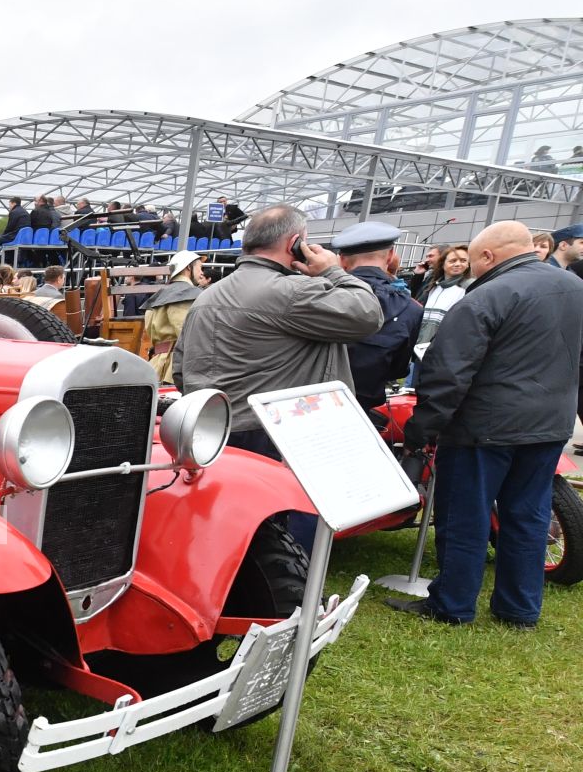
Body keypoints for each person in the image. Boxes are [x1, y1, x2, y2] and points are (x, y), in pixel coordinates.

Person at [394, 221, 583, 626]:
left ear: (487, 256)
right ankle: (519, 609)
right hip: (550, 424)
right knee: (529, 516)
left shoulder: (485, 297)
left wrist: (421, 428)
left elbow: (448, 373)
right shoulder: (574, 288)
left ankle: (453, 605)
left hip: (484, 428)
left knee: (466, 516)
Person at [173, 204, 383, 546]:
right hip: (271, 434)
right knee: (279, 534)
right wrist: (332, 272)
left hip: (212, 429)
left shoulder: (207, 296)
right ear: (295, 243)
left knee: (224, 531)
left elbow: (182, 367)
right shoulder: (292, 292)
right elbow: (367, 314)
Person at [333, 221, 424, 412]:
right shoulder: (412, 309)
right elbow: (398, 369)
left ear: (341, 259)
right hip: (363, 408)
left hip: (308, 404)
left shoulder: (321, 292)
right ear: (390, 256)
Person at [142, 250, 209, 384]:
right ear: (188, 267)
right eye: (199, 268)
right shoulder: (187, 295)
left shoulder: (160, 295)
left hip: (156, 366)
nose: (202, 273)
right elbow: (191, 337)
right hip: (177, 369)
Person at [412, 244, 470, 384]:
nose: (458, 264)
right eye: (452, 261)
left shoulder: (469, 288)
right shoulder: (434, 286)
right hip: (421, 351)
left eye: (463, 260)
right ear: (443, 264)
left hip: (444, 356)